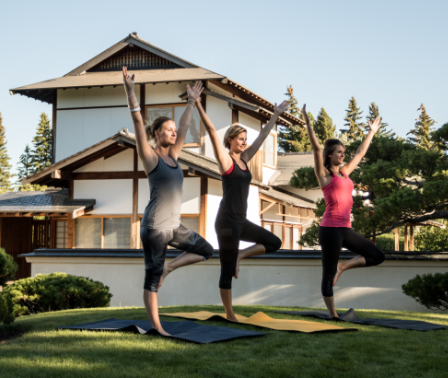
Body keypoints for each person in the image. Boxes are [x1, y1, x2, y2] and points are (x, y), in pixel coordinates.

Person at [123, 67, 214, 335]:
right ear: (157, 133)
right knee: (151, 279)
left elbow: (185, 124)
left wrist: (191, 101)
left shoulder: (175, 157)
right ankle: (157, 327)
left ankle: (168, 269)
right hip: (154, 228)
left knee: (206, 250)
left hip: (174, 226)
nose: (174, 133)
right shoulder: (150, 157)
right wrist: (130, 91)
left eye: (174, 130)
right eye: (168, 130)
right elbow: (138, 123)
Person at [194, 97, 287, 321]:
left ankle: (240, 255)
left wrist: (275, 114)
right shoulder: (226, 161)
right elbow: (211, 129)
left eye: (245, 139)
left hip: (241, 221)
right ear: (230, 140)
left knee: (274, 243)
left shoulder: (245, 159)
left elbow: (263, 137)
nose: (244, 143)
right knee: (226, 271)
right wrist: (197, 103)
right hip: (226, 222)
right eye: (240, 139)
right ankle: (229, 314)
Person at [300, 103, 385, 319]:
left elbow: (360, 152)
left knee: (377, 255)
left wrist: (371, 133)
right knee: (327, 275)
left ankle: (343, 267)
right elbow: (317, 149)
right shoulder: (324, 176)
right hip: (329, 230)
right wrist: (308, 124)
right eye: (338, 152)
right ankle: (333, 314)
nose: (342, 156)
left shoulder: (345, 173)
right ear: (330, 155)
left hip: (345, 229)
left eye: (342, 152)